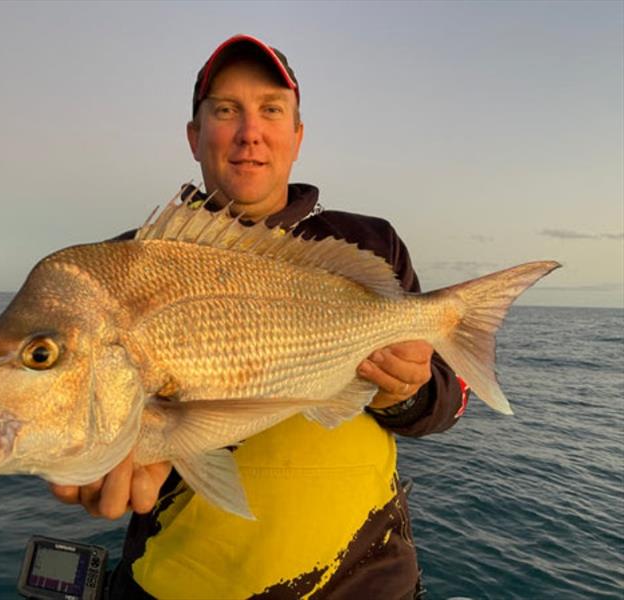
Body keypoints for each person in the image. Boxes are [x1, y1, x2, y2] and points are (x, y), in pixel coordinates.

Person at [51, 34, 467, 599]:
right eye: (226, 111)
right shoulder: (124, 268)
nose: (250, 132)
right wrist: (97, 457)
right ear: (195, 136)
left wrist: (404, 393)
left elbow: (444, 403)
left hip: (370, 583)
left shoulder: (369, 245)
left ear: (296, 136)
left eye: (272, 110)